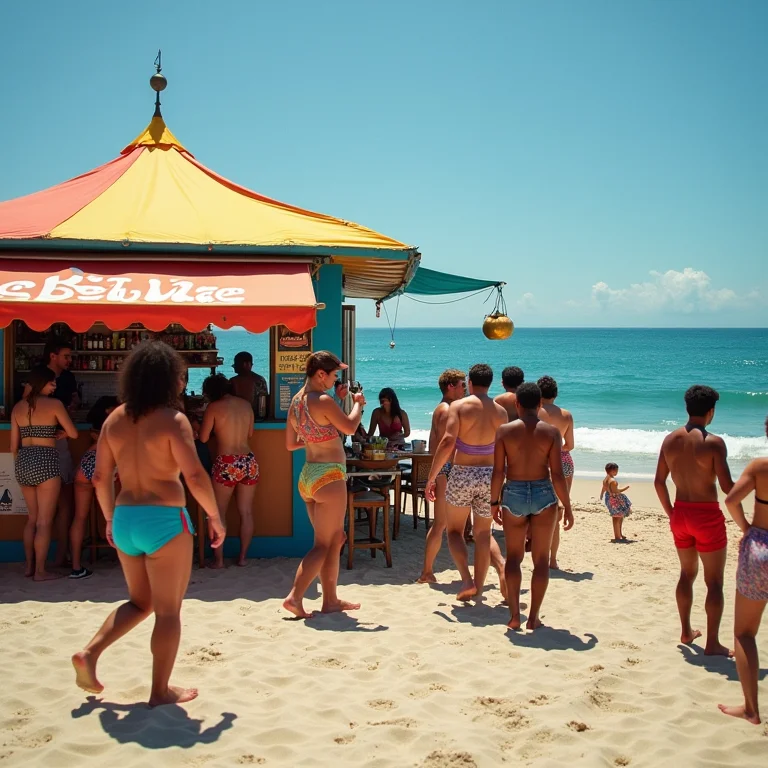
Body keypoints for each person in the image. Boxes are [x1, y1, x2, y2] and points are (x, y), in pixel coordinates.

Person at [71, 341, 225, 707]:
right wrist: (214, 515)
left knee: (140, 602)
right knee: (168, 611)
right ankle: (159, 691)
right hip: (164, 521)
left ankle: (90, 653)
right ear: (168, 380)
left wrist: (109, 519)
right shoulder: (174, 420)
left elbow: (101, 477)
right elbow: (195, 476)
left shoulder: (113, 420)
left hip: (125, 517)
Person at [654, 384, 737, 657]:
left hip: (681, 514)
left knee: (687, 575)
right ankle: (712, 642)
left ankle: (686, 631)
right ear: (711, 412)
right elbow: (727, 488)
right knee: (714, 582)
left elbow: (659, 482)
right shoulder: (713, 443)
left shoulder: (670, 440)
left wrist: (671, 512)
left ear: (687, 408)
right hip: (706, 515)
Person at [283, 351, 366, 619]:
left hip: (309, 476)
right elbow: (351, 428)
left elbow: (291, 443)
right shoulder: (323, 399)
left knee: (334, 540)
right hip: (329, 477)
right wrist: (358, 404)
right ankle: (295, 597)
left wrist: (316, 435)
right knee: (323, 544)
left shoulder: (296, 401)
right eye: (333, 375)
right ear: (321, 374)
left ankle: (330, 600)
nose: (335, 379)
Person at [491, 382, 574, 630]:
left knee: (514, 557)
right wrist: (567, 506)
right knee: (540, 560)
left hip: (513, 492)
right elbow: (558, 475)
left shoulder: (504, 431)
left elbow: (498, 472)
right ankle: (533, 617)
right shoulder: (551, 433)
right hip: (542, 493)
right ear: (540, 405)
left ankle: (515, 615)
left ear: (517, 404)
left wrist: (495, 501)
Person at [425, 364, 508, 601]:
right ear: (490, 383)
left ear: (470, 382)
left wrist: (432, 477)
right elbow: (504, 450)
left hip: (462, 472)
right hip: (489, 475)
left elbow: (448, 441)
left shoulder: (459, 407)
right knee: (483, 533)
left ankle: (467, 580)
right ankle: (492, 576)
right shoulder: (501, 412)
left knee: (453, 531)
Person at [718, 415, 768, 725]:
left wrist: (748, 528)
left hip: (760, 549)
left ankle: (751, 709)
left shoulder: (759, 467)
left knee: (744, 634)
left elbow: (731, 500)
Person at [11, 366, 79, 581]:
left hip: (23, 460)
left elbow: (14, 445)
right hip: (46, 461)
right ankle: (41, 571)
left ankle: (29, 567)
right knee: (44, 521)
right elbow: (74, 433)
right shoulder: (55, 404)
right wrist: (60, 434)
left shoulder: (18, 408)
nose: (54, 387)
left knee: (31, 520)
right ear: (42, 383)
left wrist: (20, 463)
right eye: (52, 383)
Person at [28, 337, 80, 568]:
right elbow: (27, 404)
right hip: (48, 445)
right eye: (66, 356)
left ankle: (56, 557)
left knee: (62, 503)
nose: (70, 360)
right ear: (53, 356)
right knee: (43, 514)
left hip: (40, 448)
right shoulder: (38, 376)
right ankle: (42, 564)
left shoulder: (68, 379)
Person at [199, 373, 259, 568]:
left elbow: (204, 438)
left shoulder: (214, 408)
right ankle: (242, 557)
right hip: (248, 461)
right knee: (246, 512)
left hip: (226, 462)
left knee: (219, 513)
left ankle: (219, 560)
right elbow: (250, 433)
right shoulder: (245, 405)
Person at [417, 368, 467, 584]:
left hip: (443, 470)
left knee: (444, 525)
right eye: (462, 385)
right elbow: (448, 443)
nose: (464, 388)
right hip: (448, 470)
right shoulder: (447, 410)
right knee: (444, 525)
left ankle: (428, 571)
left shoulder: (441, 408)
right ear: (451, 386)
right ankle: (427, 572)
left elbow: (432, 444)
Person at [71, 396, 120, 579]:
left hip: (86, 464)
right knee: (115, 515)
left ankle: (76, 567)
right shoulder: (115, 427)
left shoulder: (95, 428)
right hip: (103, 466)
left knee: (79, 518)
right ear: (109, 410)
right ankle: (126, 559)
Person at [537, 376, 575, 569]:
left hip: (544, 462)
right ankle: (553, 560)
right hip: (564, 461)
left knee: (542, 512)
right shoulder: (566, 415)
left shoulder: (537, 412)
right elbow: (570, 445)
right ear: (556, 393)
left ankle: (542, 557)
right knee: (557, 510)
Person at [601, 463, 632, 541]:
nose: (617, 472)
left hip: (608, 498)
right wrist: (625, 488)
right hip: (614, 499)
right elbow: (616, 492)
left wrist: (601, 495)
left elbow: (604, 488)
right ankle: (617, 537)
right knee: (617, 517)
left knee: (619, 516)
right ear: (613, 470)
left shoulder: (605, 479)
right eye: (616, 470)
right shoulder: (613, 481)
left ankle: (619, 534)